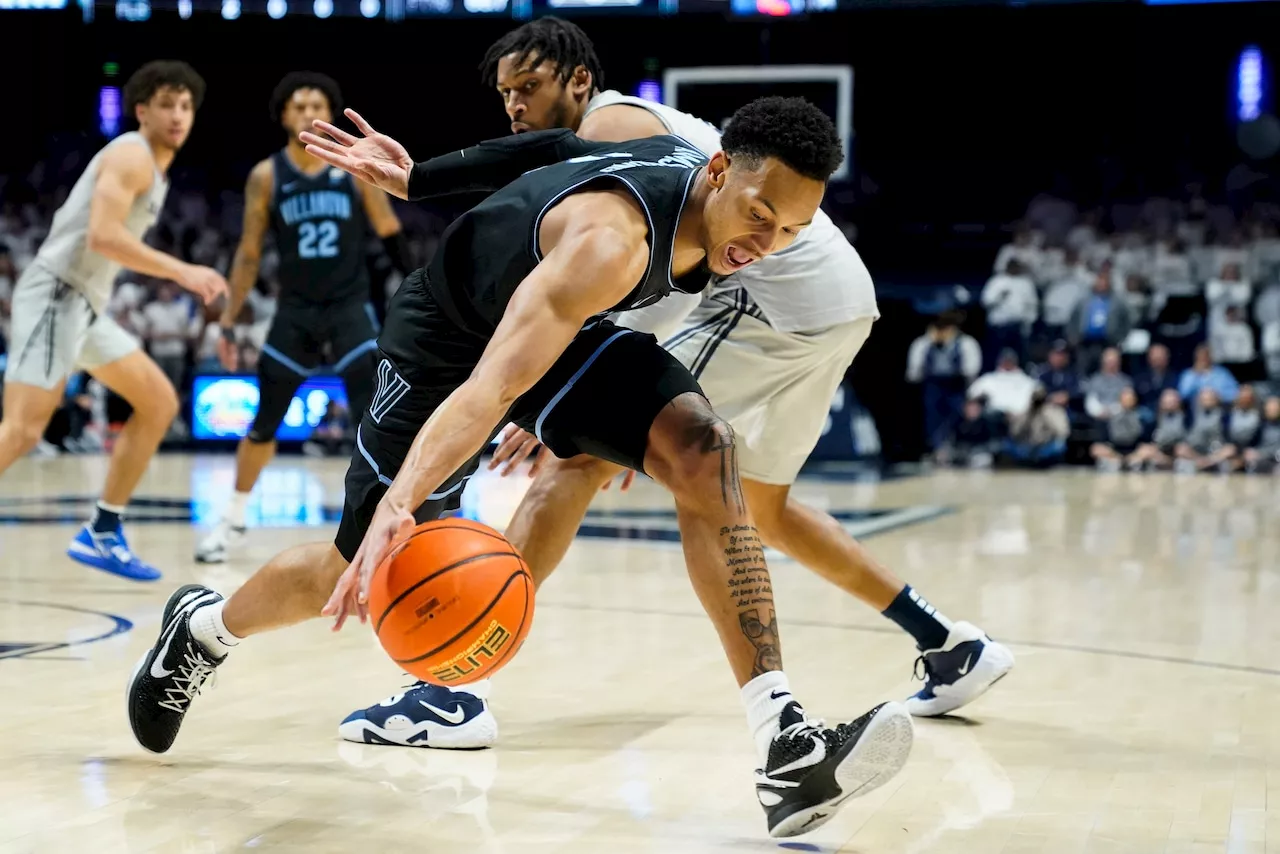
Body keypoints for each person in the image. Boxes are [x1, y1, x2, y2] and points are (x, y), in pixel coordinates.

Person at [127, 97, 916, 839]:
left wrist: (420, 177)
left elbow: (558, 144)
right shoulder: (613, 246)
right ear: (718, 172)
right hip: (448, 345)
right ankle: (201, 633)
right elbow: (489, 387)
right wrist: (402, 501)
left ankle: (785, 745)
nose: (764, 242)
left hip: (552, 334)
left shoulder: (695, 187)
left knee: (705, 453)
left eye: (789, 230)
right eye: (757, 214)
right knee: (364, 567)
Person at [339, 18, 1012, 753]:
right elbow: (543, 159)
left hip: (764, 298)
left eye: (526, 89)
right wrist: (421, 180)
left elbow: (640, 255)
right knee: (759, 508)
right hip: (835, 302)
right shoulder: (624, 144)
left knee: (590, 457)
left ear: (578, 82)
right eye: (504, 94)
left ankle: (455, 688)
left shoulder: (619, 136)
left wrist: (578, 396)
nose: (514, 109)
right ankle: (949, 643)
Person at [0, 60, 226, 581]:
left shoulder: (156, 169)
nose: (178, 115)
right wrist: (184, 271)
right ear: (142, 111)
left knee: (159, 401)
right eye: (167, 104)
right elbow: (103, 237)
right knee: (23, 429)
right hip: (58, 294)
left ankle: (102, 529)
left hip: (84, 305)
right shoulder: (131, 155)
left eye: (186, 106)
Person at [195, 72, 410, 563]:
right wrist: (227, 321)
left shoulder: (355, 168)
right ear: (284, 115)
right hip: (295, 311)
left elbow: (388, 229)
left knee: (372, 416)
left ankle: (382, 523)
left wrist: (423, 288)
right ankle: (232, 519)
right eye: (298, 104)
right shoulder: (267, 175)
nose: (307, 110)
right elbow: (248, 254)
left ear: (330, 114)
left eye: (317, 103)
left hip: (349, 308)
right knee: (265, 419)